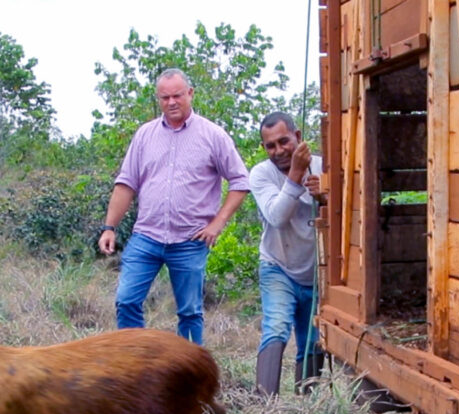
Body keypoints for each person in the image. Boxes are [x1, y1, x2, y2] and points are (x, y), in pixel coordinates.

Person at [98, 68, 249, 345]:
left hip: (190, 240)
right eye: (165, 97)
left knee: (190, 312)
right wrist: (110, 227)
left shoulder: (212, 135)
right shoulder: (145, 135)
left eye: (177, 95)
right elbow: (126, 183)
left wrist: (217, 224)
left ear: (190, 94)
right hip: (147, 236)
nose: (171, 102)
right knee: (126, 300)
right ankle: (136, 364)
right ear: (158, 99)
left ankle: (188, 376)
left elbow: (240, 181)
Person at [249, 111, 326, 396]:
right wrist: (295, 176)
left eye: (284, 141)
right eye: (270, 146)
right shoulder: (260, 174)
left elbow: (347, 210)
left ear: (298, 137)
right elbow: (277, 216)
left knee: (312, 339)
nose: (279, 151)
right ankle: (264, 406)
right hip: (277, 266)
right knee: (277, 327)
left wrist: (326, 195)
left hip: (317, 271)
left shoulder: (322, 166)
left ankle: (305, 410)